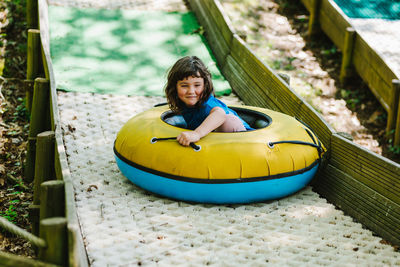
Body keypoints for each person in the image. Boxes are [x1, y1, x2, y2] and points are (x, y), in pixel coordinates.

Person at [164, 56, 252, 147]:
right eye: (184, 86)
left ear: (204, 86)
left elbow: (220, 113)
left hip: (244, 139)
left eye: (197, 85)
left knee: (229, 120)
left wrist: (196, 134)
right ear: (175, 87)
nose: (191, 91)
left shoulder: (207, 104)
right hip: (216, 139)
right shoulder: (185, 103)